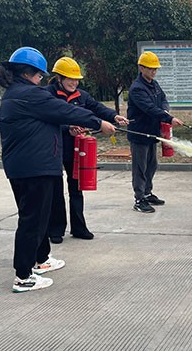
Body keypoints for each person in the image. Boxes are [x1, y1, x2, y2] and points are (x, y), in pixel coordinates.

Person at [0, 47, 116, 293]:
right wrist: (98, 122)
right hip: (34, 168)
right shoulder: (30, 94)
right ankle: (23, 276)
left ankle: (41, 260)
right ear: (28, 73)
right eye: (40, 75)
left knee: (40, 215)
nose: (41, 80)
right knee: (32, 220)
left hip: (31, 165)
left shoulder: (17, 93)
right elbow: (64, 110)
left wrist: (68, 128)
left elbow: (45, 120)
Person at [46, 57, 129, 243]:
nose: (74, 83)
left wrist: (114, 117)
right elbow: (47, 120)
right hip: (54, 148)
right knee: (56, 190)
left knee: (76, 188)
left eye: (76, 79)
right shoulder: (48, 95)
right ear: (59, 78)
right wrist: (67, 128)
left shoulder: (81, 96)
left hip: (76, 149)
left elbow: (97, 108)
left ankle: (79, 227)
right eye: (70, 79)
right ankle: (56, 230)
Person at [127, 51, 184, 213]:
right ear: (141, 68)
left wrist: (165, 110)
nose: (154, 71)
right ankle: (139, 199)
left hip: (152, 132)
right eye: (151, 68)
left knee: (152, 165)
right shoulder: (137, 88)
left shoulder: (154, 84)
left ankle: (147, 192)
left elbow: (163, 100)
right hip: (140, 133)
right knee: (140, 167)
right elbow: (149, 108)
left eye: (155, 68)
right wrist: (169, 118)